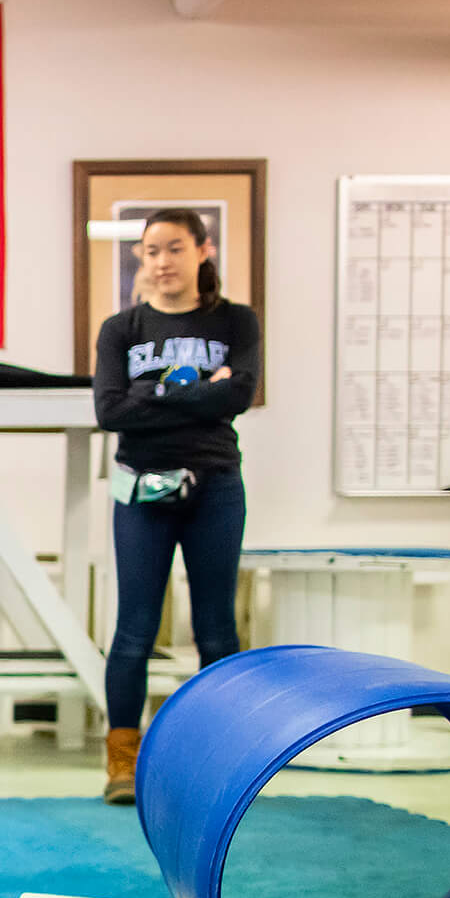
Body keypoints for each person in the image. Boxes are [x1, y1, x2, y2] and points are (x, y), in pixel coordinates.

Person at [92, 208, 259, 805]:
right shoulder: (121, 329)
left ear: (202, 250)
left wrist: (152, 393)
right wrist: (195, 391)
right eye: (151, 251)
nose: (161, 262)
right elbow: (110, 412)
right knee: (134, 630)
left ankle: (228, 760)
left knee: (215, 629)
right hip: (141, 487)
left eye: (174, 249)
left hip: (215, 484)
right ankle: (122, 762)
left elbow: (238, 395)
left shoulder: (236, 321)